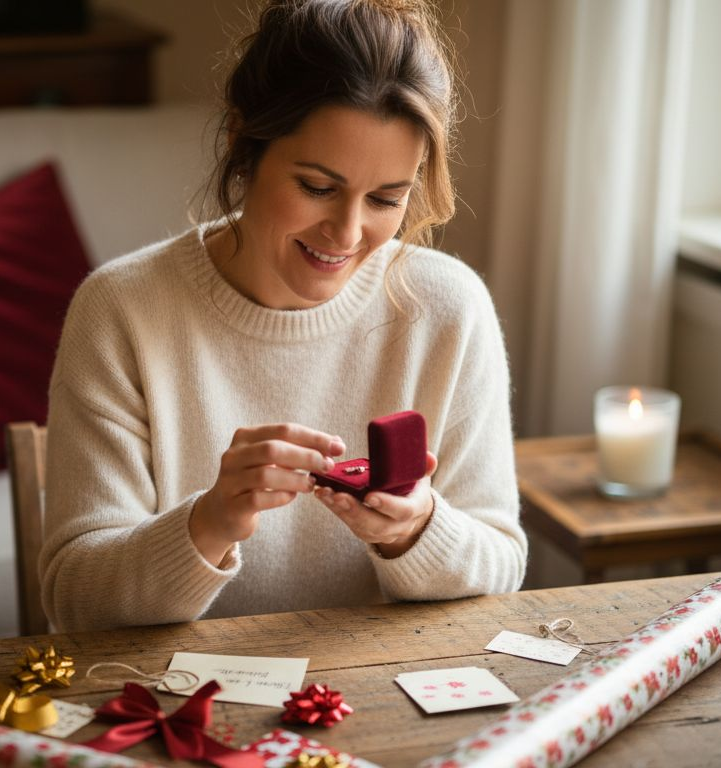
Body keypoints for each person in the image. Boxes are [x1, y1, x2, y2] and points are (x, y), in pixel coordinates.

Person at [38, 0, 526, 632]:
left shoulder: (449, 308)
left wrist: (418, 529)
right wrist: (207, 524)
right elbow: (74, 596)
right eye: (317, 188)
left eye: (385, 199)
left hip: (384, 703)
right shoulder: (121, 310)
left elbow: (503, 561)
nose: (348, 233)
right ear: (244, 143)